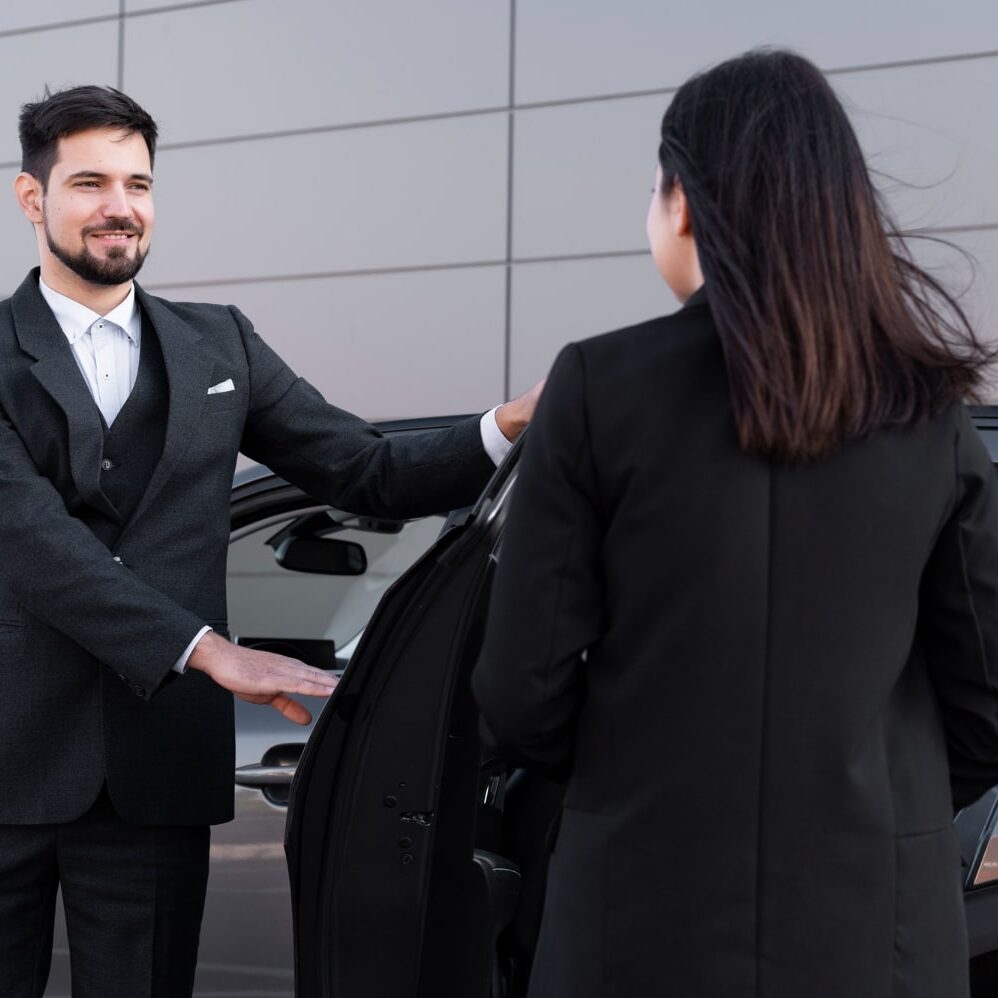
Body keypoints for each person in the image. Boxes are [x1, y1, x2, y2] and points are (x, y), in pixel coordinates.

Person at [472, 49, 998, 998]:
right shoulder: (930, 411)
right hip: (879, 934)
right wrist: (884, 803)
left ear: (682, 201)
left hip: (636, 918)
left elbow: (520, 690)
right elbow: (988, 698)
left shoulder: (596, 388)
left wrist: (623, 780)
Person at [0, 84, 539, 997]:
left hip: (157, 769)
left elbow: (368, 472)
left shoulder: (221, 346)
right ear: (32, 197)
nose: (120, 207)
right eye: (89, 183)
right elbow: (32, 542)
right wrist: (208, 652)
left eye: (138, 182)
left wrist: (512, 424)